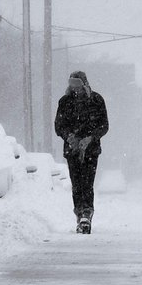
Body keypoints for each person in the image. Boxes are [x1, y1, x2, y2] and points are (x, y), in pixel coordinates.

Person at [54, 70, 109, 234]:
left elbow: (104, 125)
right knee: (76, 184)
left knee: (87, 183)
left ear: (84, 84)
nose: (75, 88)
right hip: (71, 150)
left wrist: (90, 138)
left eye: (77, 84)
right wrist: (69, 136)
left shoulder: (97, 100)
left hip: (91, 151)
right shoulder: (64, 102)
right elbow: (59, 126)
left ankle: (87, 213)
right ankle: (79, 213)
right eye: (72, 84)